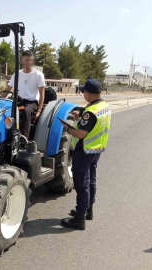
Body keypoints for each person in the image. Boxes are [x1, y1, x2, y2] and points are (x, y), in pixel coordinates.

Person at [60, 79, 111, 230]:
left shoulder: (90, 113)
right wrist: (79, 117)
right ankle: (89, 211)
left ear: (89, 94)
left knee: (82, 184)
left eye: (83, 92)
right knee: (91, 181)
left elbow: (81, 133)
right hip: (96, 150)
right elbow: (92, 124)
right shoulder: (104, 107)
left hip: (84, 151)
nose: (82, 94)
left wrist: (68, 128)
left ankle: (79, 219)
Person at [3, 50, 45, 139]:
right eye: (26, 60)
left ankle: (24, 140)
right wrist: (0, 98)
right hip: (17, 101)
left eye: (30, 60)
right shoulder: (17, 74)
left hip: (31, 102)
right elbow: (8, 89)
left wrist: (39, 111)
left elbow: (42, 95)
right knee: (3, 110)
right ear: (22, 60)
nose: (28, 62)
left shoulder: (38, 75)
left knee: (26, 111)